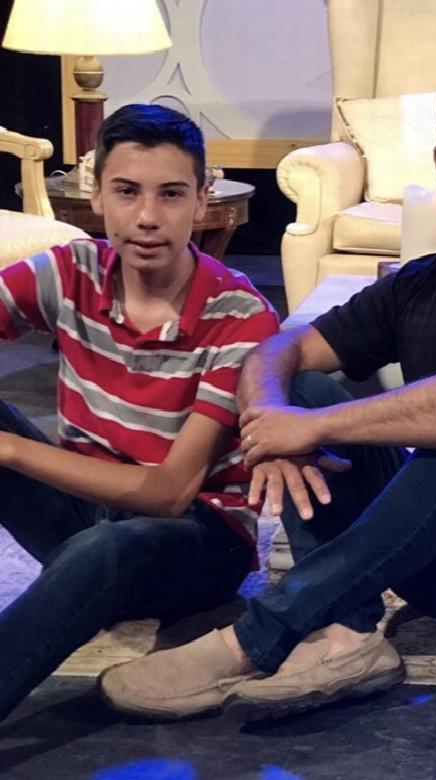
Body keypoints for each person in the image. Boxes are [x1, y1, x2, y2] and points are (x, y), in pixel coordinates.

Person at [100, 68, 436, 723]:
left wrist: (313, 429)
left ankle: (255, 639)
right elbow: (280, 348)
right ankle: (343, 634)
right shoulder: (421, 282)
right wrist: (273, 415)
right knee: (304, 390)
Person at [0, 104, 279, 721]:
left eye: (171, 194)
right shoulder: (71, 271)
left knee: (107, 549)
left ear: (201, 202)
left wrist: (14, 449)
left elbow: (170, 492)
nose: (148, 217)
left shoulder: (240, 315)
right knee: (98, 543)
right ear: (98, 196)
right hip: (88, 513)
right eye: (127, 192)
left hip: (197, 540)